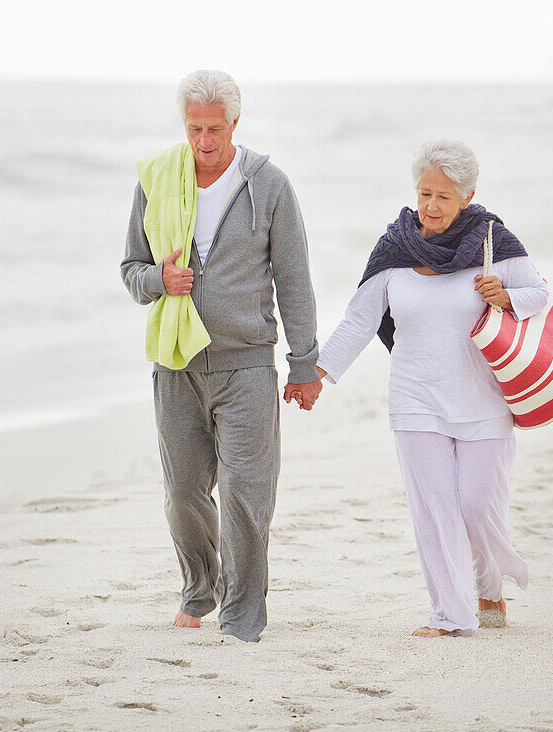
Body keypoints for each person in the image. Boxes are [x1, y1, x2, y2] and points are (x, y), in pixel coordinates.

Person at [315, 139, 549, 637]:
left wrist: (505, 297)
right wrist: (317, 372)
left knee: (478, 506)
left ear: (467, 197)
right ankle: (450, 616)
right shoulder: (395, 248)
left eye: (443, 196)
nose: (431, 206)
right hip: (415, 398)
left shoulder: (493, 242)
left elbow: (540, 295)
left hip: (484, 399)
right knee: (435, 509)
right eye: (424, 193)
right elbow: (360, 319)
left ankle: (489, 587)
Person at [120, 70, 322, 642]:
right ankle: (200, 586)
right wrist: (160, 278)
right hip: (176, 363)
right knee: (182, 490)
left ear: (235, 122)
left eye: (214, 129)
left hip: (247, 364)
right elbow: (130, 271)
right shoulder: (158, 180)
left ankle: (242, 616)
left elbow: (295, 280)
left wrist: (304, 365)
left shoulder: (269, 185)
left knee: (245, 494)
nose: (204, 141)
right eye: (193, 129)